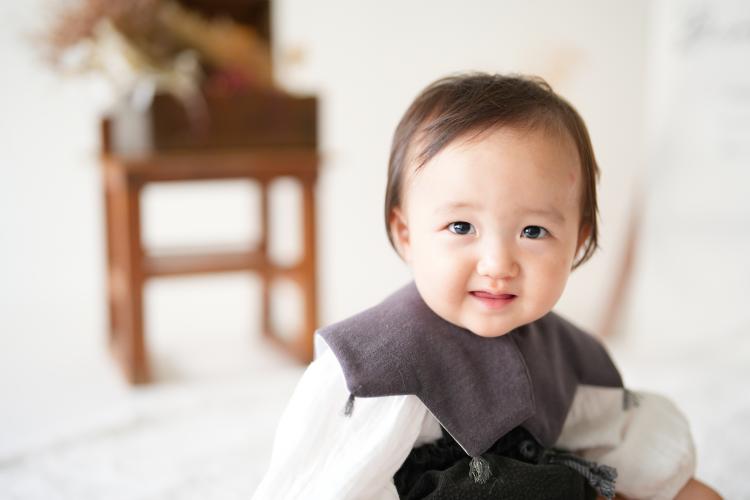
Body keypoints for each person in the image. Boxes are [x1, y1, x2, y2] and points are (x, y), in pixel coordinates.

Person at [252, 73, 721, 499]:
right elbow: (328, 480)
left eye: (533, 231)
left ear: (577, 242)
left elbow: (613, 435)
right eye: (461, 227)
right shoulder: (377, 366)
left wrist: (669, 483)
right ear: (407, 234)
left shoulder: (568, 352)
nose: (498, 264)